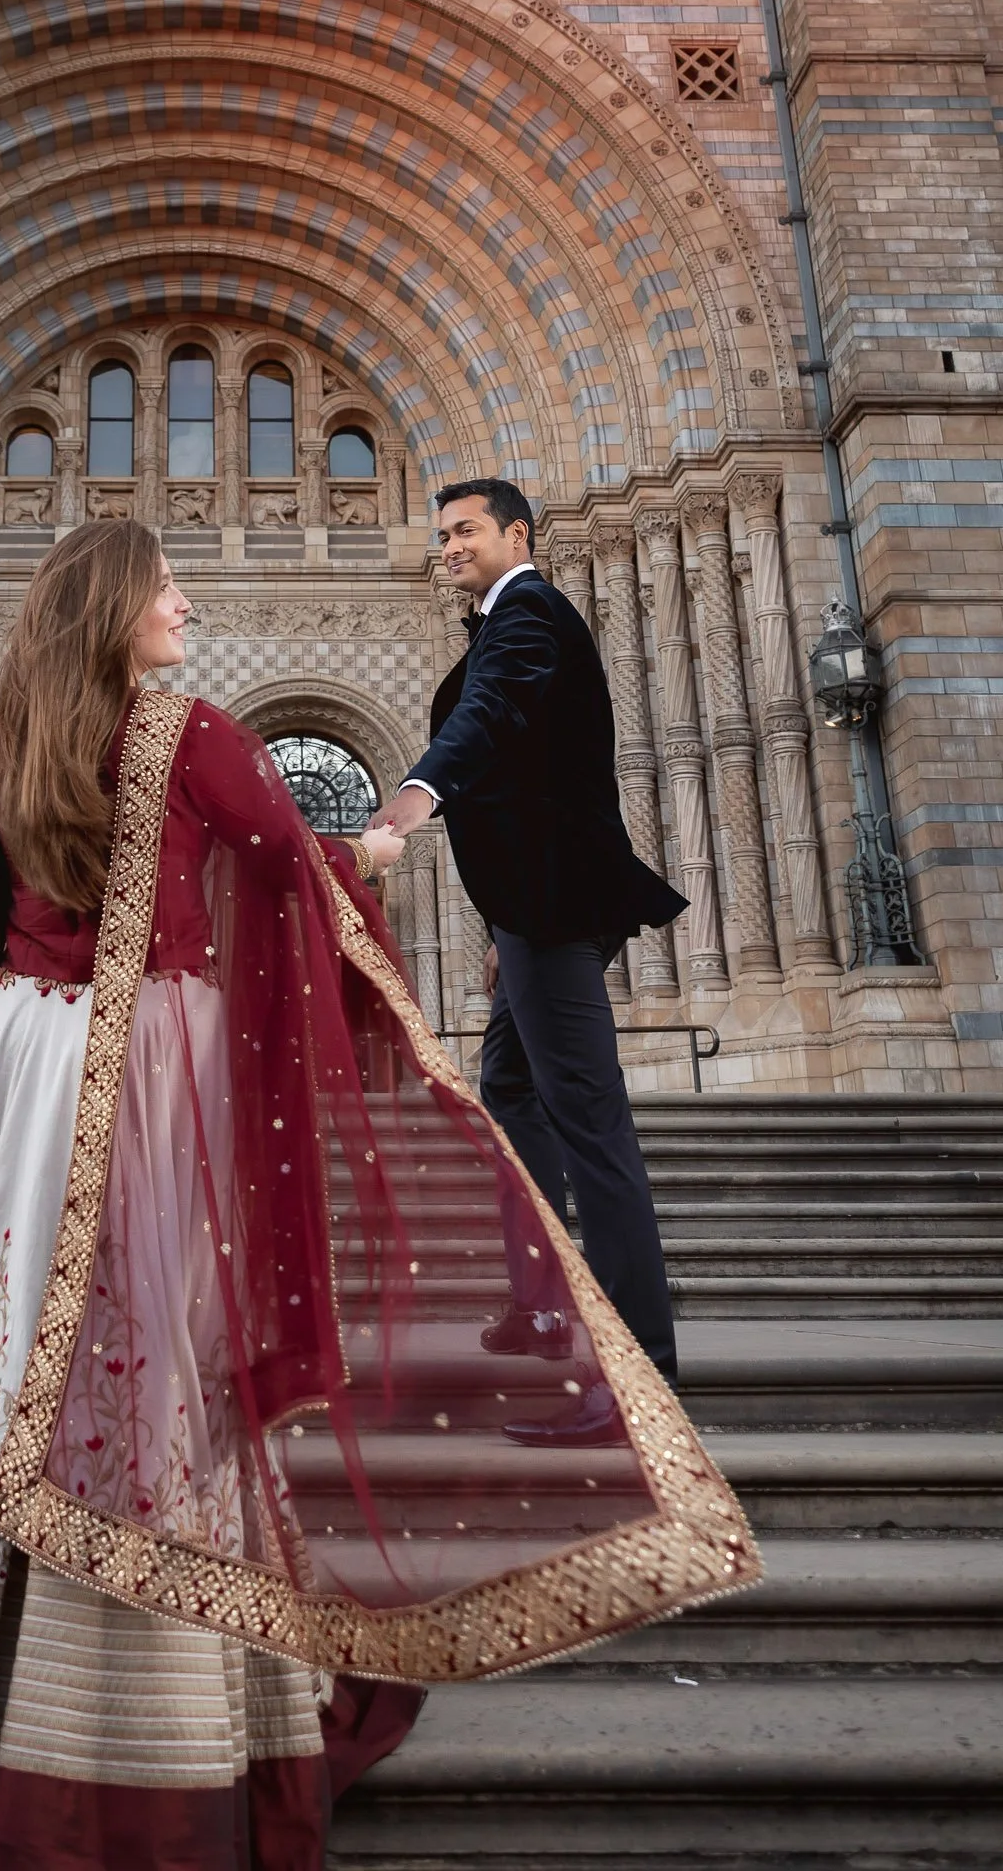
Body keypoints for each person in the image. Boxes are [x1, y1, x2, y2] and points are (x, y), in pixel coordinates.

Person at [0, 517, 754, 1871]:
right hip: (153, 1063)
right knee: (157, 1342)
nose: (187, 604)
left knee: (17, 1326)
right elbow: (285, 866)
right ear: (114, 611)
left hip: (34, 1067)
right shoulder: (194, 734)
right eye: (166, 589)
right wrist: (376, 854)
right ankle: (169, 1691)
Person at [369, 478, 686, 1387]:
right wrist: (504, 922)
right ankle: (544, 1303)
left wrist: (417, 796)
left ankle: (640, 1373)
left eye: (465, 530)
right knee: (510, 1086)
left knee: (591, 1123)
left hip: (554, 906)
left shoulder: (531, 612)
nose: (449, 546)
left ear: (516, 533)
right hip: (534, 911)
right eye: (441, 535)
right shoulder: (513, 619)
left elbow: (491, 711)